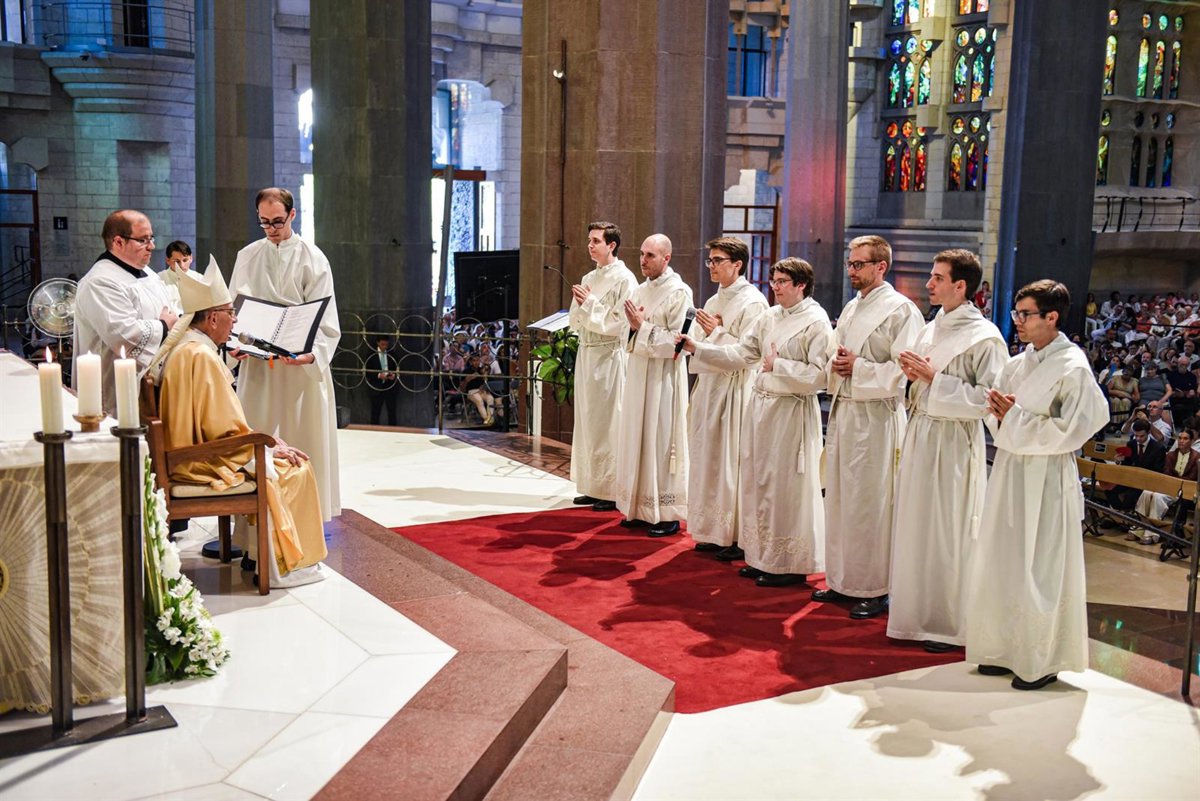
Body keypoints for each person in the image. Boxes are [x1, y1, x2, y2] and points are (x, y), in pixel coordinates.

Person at [965, 279, 1108, 691]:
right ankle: (1003, 648)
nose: (1018, 321)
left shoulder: (1072, 366)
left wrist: (1014, 419)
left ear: (1052, 317)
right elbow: (995, 414)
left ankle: (1041, 659)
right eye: (1017, 313)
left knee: (1040, 565)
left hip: (1047, 475)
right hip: (1011, 469)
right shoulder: (1016, 364)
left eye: (1025, 314)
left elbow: (1075, 428)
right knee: (1004, 557)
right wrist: (1002, 417)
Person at [152, 262, 327, 588]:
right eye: (231, 313)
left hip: (189, 452)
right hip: (199, 461)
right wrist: (267, 447)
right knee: (296, 469)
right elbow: (224, 432)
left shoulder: (189, 347)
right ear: (212, 319)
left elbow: (217, 423)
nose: (235, 321)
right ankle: (286, 565)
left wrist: (264, 443)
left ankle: (259, 553)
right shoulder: (201, 356)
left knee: (280, 458)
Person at [679, 257, 833, 586]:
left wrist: (779, 366)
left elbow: (821, 376)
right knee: (759, 482)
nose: (775, 287)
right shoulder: (770, 316)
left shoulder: (816, 321)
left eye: (782, 282)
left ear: (801, 285)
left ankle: (789, 564)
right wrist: (699, 348)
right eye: (774, 281)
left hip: (791, 412)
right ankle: (762, 555)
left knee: (785, 486)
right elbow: (742, 353)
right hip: (761, 408)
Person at [887, 250, 1007, 652]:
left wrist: (933, 379)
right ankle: (914, 615)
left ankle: (947, 622)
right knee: (916, 523)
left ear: (961, 286)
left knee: (947, 528)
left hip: (954, 441)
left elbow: (988, 400)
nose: (929, 284)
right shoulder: (930, 327)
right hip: (922, 431)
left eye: (938, 278)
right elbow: (918, 380)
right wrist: (912, 378)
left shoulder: (985, 337)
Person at [815, 235, 923, 619]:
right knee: (841, 498)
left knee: (872, 503)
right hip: (846, 410)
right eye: (850, 263)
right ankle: (843, 580)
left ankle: (876, 588)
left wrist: (857, 367)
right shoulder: (851, 307)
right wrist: (836, 363)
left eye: (859, 264)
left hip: (877, 418)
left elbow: (905, 371)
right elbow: (835, 354)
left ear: (881, 266)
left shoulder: (902, 311)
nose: (851, 270)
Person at [229, 187, 341, 522]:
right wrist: (234, 345)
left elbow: (326, 319)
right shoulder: (248, 255)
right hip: (259, 368)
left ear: (293, 214)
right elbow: (233, 309)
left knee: (304, 441)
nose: (271, 229)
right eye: (264, 222)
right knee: (258, 440)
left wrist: (312, 355)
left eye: (277, 221)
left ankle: (304, 529)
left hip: (299, 369)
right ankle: (254, 534)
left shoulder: (312, 258)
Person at [683, 237, 768, 560]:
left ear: (738, 264)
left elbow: (750, 354)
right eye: (710, 260)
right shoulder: (715, 298)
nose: (712, 266)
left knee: (730, 460)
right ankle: (713, 530)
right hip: (711, 385)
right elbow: (699, 340)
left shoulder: (753, 302)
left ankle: (734, 535)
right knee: (709, 458)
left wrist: (716, 333)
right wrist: (702, 336)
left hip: (736, 388)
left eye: (718, 260)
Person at [614, 234, 693, 537]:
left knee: (660, 440)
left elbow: (679, 343)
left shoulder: (679, 292)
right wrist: (634, 329)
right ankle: (638, 507)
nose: (643, 260)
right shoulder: (639, 290)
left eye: (650, 255)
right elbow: (626, 333)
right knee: (637, 436)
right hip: (638, 373)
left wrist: (642, 327)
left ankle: (666, 513)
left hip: (664, 378)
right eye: (642, 254)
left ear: (666, 258)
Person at [73, 209, 175, 414]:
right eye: (143, 240)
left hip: (151, 383)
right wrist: (164, 326)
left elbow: (170, 307)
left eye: (151, 238)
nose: (152, 246)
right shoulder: (100, 282)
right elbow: (123, 335)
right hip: (112, 390)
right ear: (118, 242)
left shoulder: (146, 272)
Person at [567, 221, 638, 511]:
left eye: (596, 241)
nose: (590, 245)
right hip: (587, 354)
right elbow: (576, 318)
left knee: (609, 423)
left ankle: (610, 489)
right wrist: (583, 307)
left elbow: (620, 323)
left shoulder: (625, 279)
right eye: (589, 240)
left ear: (612, 245)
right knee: (587, 421)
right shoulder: (588, 277)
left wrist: (590, 304)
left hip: (609, 356)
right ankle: (592, 484)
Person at [1131, 428, 1198, 543]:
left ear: (1192, 441)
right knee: (1146, 492)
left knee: (1157, 498)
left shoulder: (1196, 457)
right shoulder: (1171, 455)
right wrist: (1171, 482)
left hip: (1184, 490)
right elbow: (1166, 472)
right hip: (1168, 486)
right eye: (1179, 438)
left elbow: (1192, 477)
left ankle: (1151, 533)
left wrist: (1176, 482)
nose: (1181, 441)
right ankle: (1140, 527)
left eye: (1185, 439)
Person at [365, 335, 399, 426]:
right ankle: (374, 430)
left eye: (386, 345)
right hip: (376, 387)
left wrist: (394, 375)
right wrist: (379, 375)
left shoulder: (392, 354)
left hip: (390, 386)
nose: (384, 347)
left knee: (392, 411)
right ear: (378, 343)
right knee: (375, 411)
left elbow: (397, 367)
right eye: (382, 344)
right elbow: (367, 371)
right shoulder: (371, 355)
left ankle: (393, 430)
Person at [460, 354, 499, 426]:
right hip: (471, 391)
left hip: (481, 390)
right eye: (474, 361)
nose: (476, 362)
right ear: (471, 362)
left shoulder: (481, 370)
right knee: (479, 400)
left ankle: (490, 419)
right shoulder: (466, 371)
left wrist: (483, 385)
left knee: (490, 398)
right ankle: (486, 419)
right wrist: (467, 380)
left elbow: (486, 380)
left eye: (478, 360)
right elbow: (462, 387)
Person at [159, 240, 193, 314]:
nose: (182, 265)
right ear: (168, 261)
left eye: (185, 260)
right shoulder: (158, 280)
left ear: (191, 258)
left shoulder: (200, 279)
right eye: (177, 261)